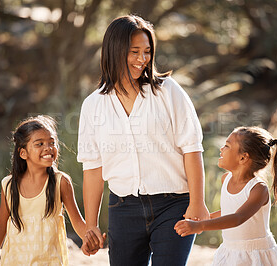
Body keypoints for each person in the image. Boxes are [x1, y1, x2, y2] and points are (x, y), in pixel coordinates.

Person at [77, 15, 209, 265]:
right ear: (114, 51)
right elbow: (92, 169)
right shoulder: (93, 105)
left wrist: (198, 203)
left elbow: (192, 148)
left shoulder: (168, 91)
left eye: (147, 51)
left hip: (173, 206)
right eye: (134, 51)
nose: (142, 59)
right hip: (123, 209)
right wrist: (91, 225)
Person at [0, 115, 100, 266]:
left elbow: (78, 223)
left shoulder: (61, 182)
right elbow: (1, 226)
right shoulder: (8, 185)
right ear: (23, 153)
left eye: (51, 142)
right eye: (39, 144)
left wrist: (90, 238)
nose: (48, 147)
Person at [175, 126, 277, 265]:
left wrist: (201, 226)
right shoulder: (225, 179)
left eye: (227, 146)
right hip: (230, 251)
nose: (221, 149)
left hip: (254, 255)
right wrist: (206, 218)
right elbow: (230, 212)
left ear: (243, 157)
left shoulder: (258, 189)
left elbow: (238, 218)